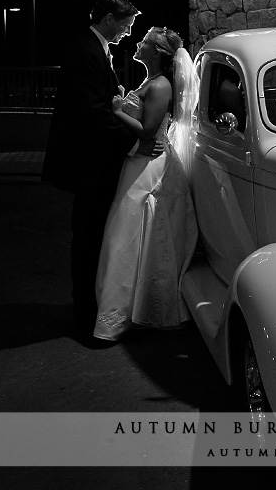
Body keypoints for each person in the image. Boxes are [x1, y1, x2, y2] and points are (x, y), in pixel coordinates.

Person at [42, 0, 158, 341]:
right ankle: (85, 311)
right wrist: (136, 144)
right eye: (127, 23)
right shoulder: (85, 52)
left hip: (96, 159)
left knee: (94, 232)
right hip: (89, 161)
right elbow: (94, 113)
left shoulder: (94, 48)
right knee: (89, 233)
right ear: (109, 18)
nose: (128, 31)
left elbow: (104, 104)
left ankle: (90, 303)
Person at [92, 27, 199, 342]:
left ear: (158, 51)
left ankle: (124, 312)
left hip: (148, 166)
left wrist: (116, 111)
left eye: (146, 42)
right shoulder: (149, 82)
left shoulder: (161, 85)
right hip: (138, 162)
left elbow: (149, 130)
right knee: (123, 235)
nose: (138, 44)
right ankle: (120, 310)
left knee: (126, 235)